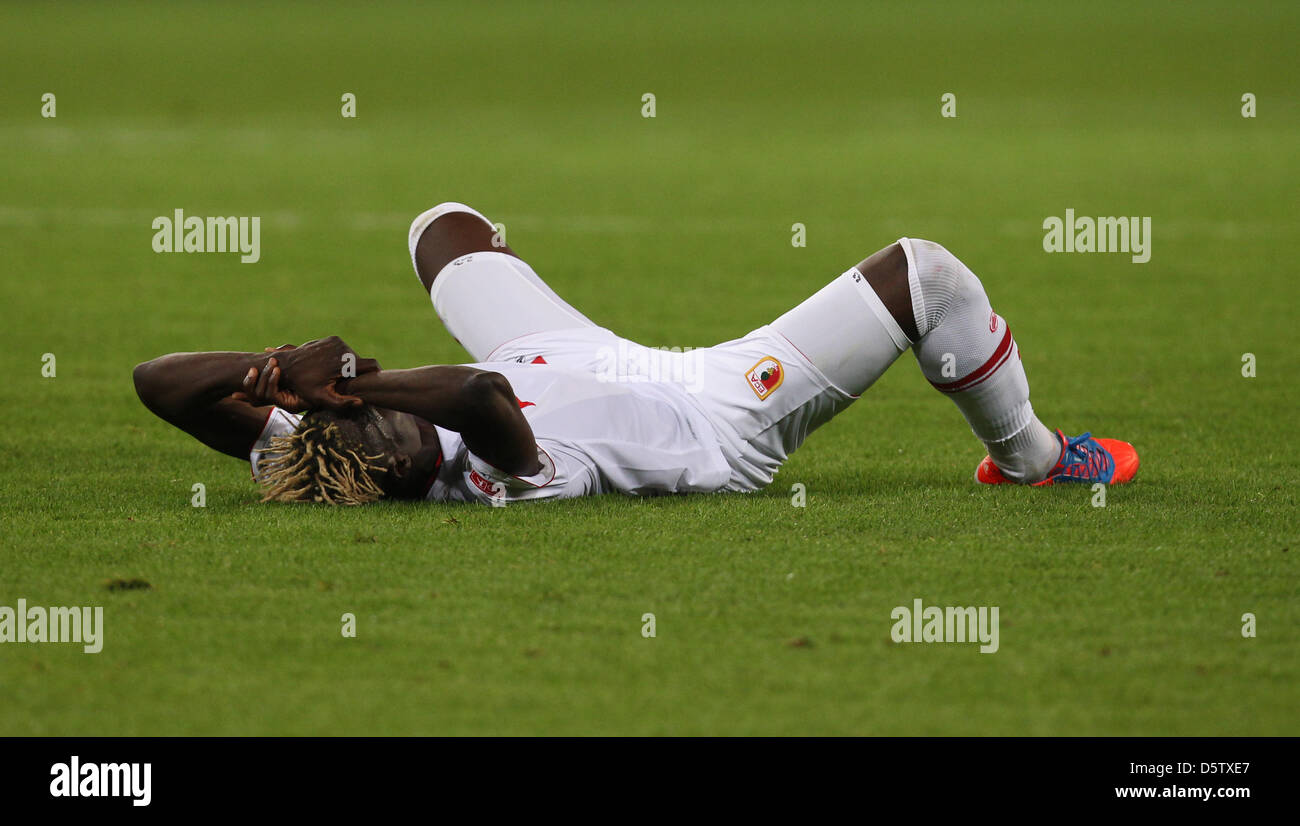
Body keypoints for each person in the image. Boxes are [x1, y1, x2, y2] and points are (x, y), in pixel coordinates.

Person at [133, 202, 1138, 505]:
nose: (369, 416)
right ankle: (1034, 460)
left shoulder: (306, 457)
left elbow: (157, 384)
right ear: (393, 457)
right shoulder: (489, 476)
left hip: (562, 352)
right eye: (380, 421)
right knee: (926, 276)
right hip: (711, 412)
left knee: (438, 228)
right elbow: (482, 396)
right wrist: (349, 375)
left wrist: (267, 370)